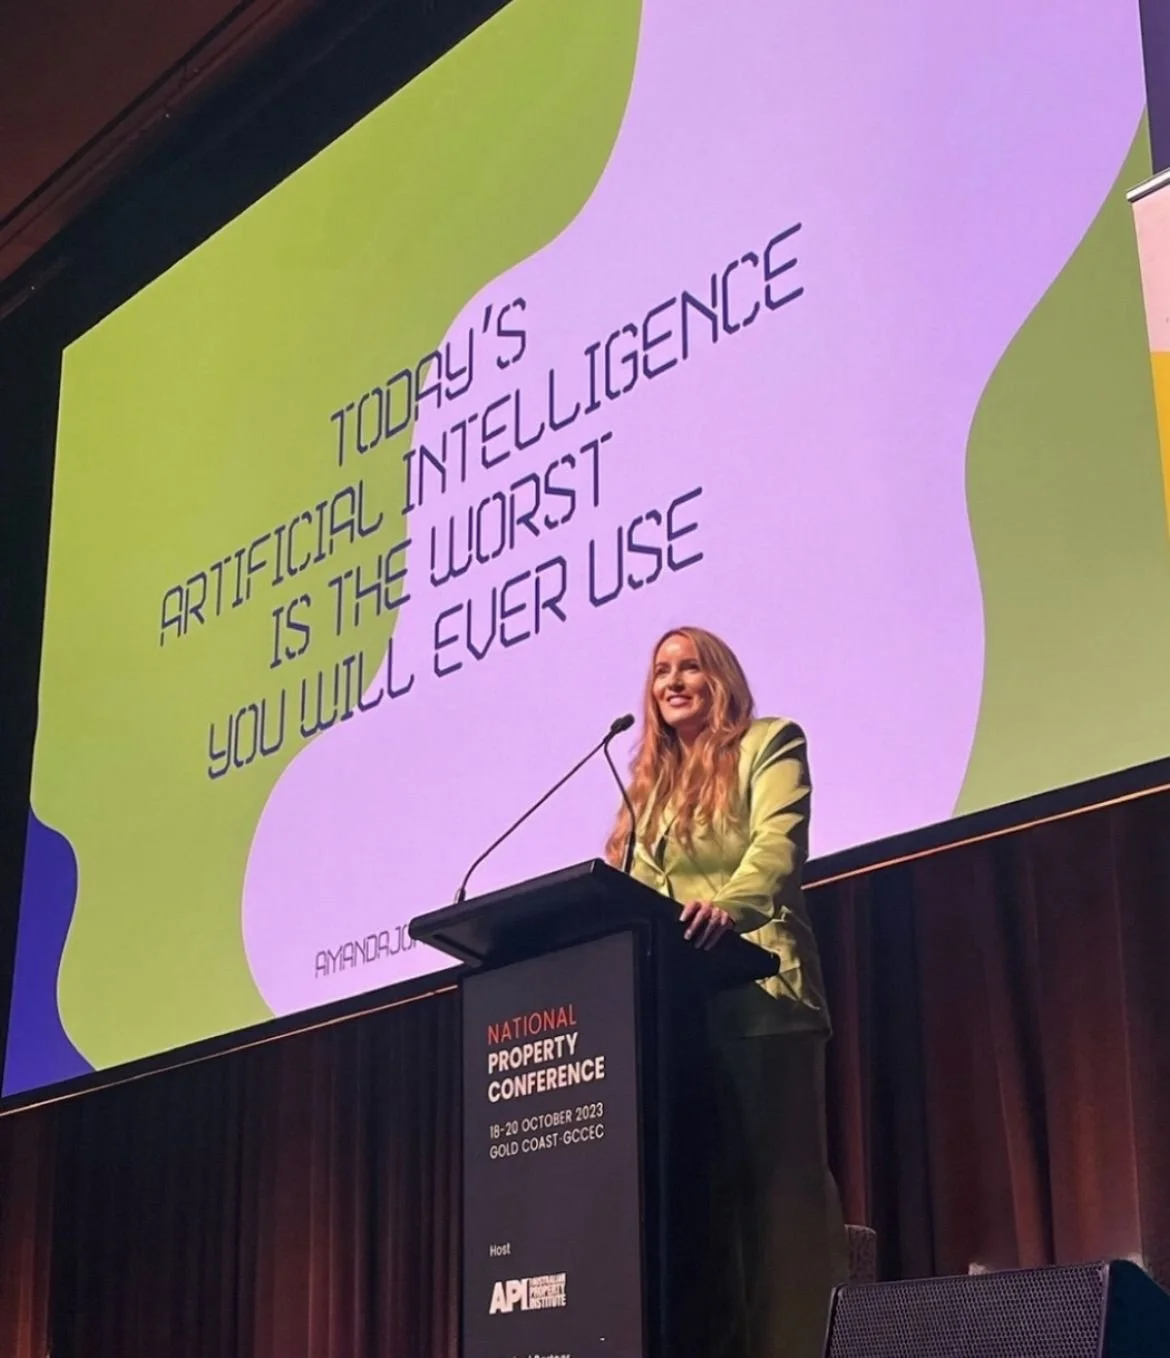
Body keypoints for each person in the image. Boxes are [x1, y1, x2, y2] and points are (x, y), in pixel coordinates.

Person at [605, 624, 848, 1358]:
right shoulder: (646, 791)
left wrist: (728, 908)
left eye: (689, 668)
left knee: (779, 1212)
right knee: (702, 1222)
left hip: (764, 1001)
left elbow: (778, 848)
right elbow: (628, 895)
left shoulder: (769, 743)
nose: (673, 682)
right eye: (661, 671)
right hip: (680, 1023)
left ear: (721, 679)